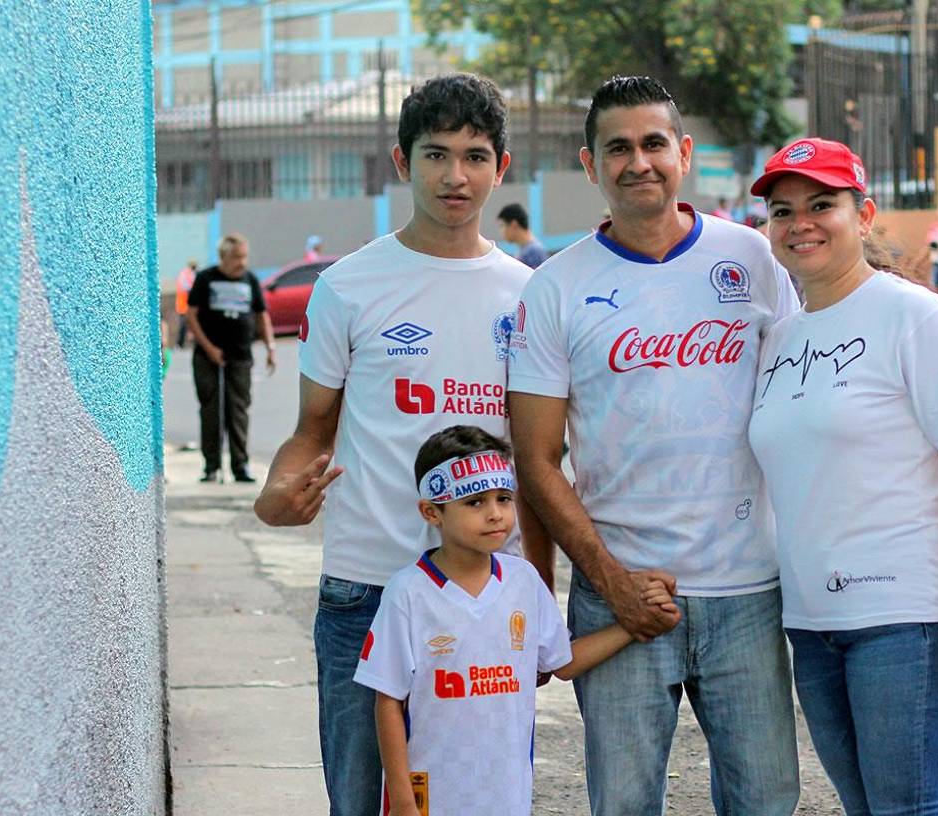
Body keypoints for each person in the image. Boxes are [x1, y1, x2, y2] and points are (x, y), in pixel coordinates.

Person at [507, 75, 802, 815]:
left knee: (767, 799)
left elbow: (807, 407)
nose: (638, 162)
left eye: (653, 143)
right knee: (624, 805)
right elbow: (536, 458)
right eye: (618, 148)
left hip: (748, 593)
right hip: (619, 600)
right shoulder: (555, 288)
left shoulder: (756, 260)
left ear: (685, 153)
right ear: (590, 164)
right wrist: (608, 583)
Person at [253, 74, 534, 816]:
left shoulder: (528, 294)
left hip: (481, 593)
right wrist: (279, 494)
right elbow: (311, 433)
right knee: (361, 801)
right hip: (366, 589)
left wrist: (530, 588)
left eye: (475, 156)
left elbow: (537, 457)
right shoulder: (348, 287)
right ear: (403, 162)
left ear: (501, 168)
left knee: (475, 796)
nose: (455, 176)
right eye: (436, 154)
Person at [746, 137, 938, 816]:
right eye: (783, 210)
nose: (800, 222)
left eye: (821, 204)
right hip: (811, 623)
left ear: (863, 215)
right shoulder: (780, 337)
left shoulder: (914, 316)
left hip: (904, 621)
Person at [357, 425, 675, 816]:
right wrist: (404, 800)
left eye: (504, 499)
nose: (495, 514)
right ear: (432, 512)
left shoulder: (523, 581)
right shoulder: (407, 593)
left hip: (506, 797)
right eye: (474, 502)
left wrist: (635, 622)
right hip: (431, 798)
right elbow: (388, 700)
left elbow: (563, 662)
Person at [185, 234, 275, 483]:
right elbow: (191, 316)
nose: (242, 262)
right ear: (223, 257)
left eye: (244, 256)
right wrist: (209, 347)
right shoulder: (205, 279)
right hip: (208, 356)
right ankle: (211, 466)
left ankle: (240, 466)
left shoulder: (250, 280)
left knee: (238, 411)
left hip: (240, 355)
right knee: (211, 411)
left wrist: (271, 347)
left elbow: (261, 315)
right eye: (236, 257)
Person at [496, 203, 548, 268]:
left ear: (514, 224)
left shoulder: (533, 252)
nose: (501, 231)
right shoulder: (526, 251)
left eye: (502, 225)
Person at [174, 259, 198, 347]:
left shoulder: (188, 274)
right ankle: (180, 343)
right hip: (184, 305)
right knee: (184, 325)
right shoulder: (187, 274)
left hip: (186, 305)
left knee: (188, 325)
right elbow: (187, 287)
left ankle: (183, 343)